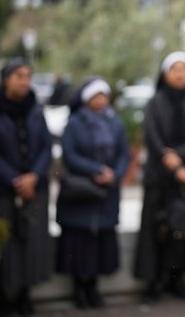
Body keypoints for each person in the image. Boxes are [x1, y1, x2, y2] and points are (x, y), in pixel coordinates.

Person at [0, 59, 53, 316]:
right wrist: (16, 180)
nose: (24, 81)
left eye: (28, 76)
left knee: (31, 243)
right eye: (19, 76)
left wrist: (34, 176)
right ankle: (2, 297)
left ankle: (24, 295)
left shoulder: (35, 109)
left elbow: (46, 146)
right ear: (7, 79)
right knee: (5, 244)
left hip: (35, 189)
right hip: (3, 190)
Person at [134, 52, 185, 303]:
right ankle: (154, 281)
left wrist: (180, 157)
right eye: (175, 69)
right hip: (160, 178)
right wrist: (172, 164)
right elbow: (153, 137)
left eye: (184, 69)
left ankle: (179, 280)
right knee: (158, 229)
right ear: (165, 74)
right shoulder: (155, 103)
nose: (180, 74)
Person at [56, 78, 131, 309]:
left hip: (107, 193)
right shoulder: (75, 123)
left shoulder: (115, 123)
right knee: (80, 244)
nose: (100, 100)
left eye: (103, 96)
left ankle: (93, 289)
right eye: (95, 96)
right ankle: (79, 289)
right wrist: (97, 170)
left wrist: (114, 175)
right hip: (83, 192)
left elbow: (124, 154)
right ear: (86, 98)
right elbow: (70, 154)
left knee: (100, 244)